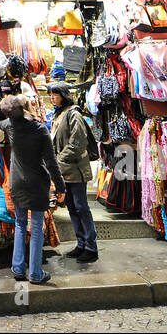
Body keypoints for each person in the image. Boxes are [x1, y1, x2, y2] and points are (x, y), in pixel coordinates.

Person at [0, 94, 65, 285]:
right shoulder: (40, 129)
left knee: (20, 224)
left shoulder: (11, 127)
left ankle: (18, 269)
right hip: (37, 184)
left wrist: (6, 104)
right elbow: (51, 163)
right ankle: (35, 273)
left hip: (17, 184)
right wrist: (60, 187)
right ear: (28, 108)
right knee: (36, 228)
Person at [49, 82, 99, 264]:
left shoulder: (74, 114)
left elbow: (78, 142)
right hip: (64, 171)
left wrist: (59, 160)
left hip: (75, 170)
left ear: (64, 95)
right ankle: (81, 244)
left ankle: (91, 247)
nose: (52, 98)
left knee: (81, 207)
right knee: (72, 208)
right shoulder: (58, 114)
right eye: (51, 95)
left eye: (55, 94)